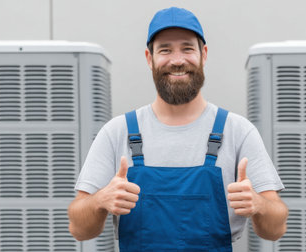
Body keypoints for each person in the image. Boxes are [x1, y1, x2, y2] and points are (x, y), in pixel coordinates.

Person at [68, 6, 288, 251]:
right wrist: (100, 200)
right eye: (165, 50)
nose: (177, 60)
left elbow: (275, 229)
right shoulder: (117, 132)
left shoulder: (237, 131)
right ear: (149, 58)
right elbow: (79, 229)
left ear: (203, 54)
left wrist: (258, 204)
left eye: (187, 48)